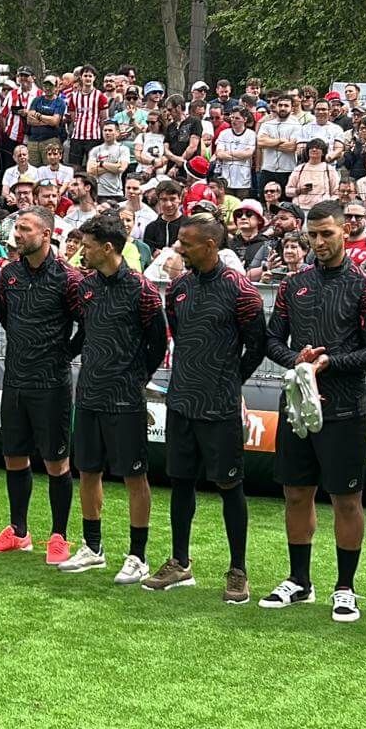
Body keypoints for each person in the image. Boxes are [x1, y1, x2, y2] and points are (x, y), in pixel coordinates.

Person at [260, 200, 366, 622]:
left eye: (327, 234)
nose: (319, 242)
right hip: (296, 405)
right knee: (295, 493)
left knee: (347, 499)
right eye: (312, 235)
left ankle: (345, 587)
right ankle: (300, 581)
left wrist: (331, 361)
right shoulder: (292, 283)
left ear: (345, 232)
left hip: (345, 407)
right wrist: (298, 359)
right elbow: (271, 341)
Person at [146, 212, 265, 602]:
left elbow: (257, 346)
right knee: (180, 482)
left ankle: (238, 570)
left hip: (220, 406)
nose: (179, 249)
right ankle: (180, 562)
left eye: (187, 243)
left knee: (230, 485)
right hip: (181, 400)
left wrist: (230, 381)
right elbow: (179, 337)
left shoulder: (240, 290)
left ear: (211, 245)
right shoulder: (178, 288)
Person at [54, 214, 168, 583]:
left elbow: (158, 343)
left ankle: (138, 556)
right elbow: (84, 333)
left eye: (86, 245)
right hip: (88, 393)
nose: (81, 251)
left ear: (107, 248)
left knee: (135, 477)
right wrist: (61, 354)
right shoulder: (86, 286)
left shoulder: (143, 290)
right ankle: (93, 547)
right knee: (87, 470)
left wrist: (138, 379)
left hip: (125, 399)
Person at [0, 206, 83, 563]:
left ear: (46, 234)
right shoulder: (8, 275)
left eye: (25, 229)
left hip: (52, 383)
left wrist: (62, 354)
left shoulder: (69, 278)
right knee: (13, 455)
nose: (18, 234)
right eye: (17, 228)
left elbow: (84, 325)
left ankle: (59, 536)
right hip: (16, 379)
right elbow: (7, 319)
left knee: (57, 461)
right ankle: (19, 531)